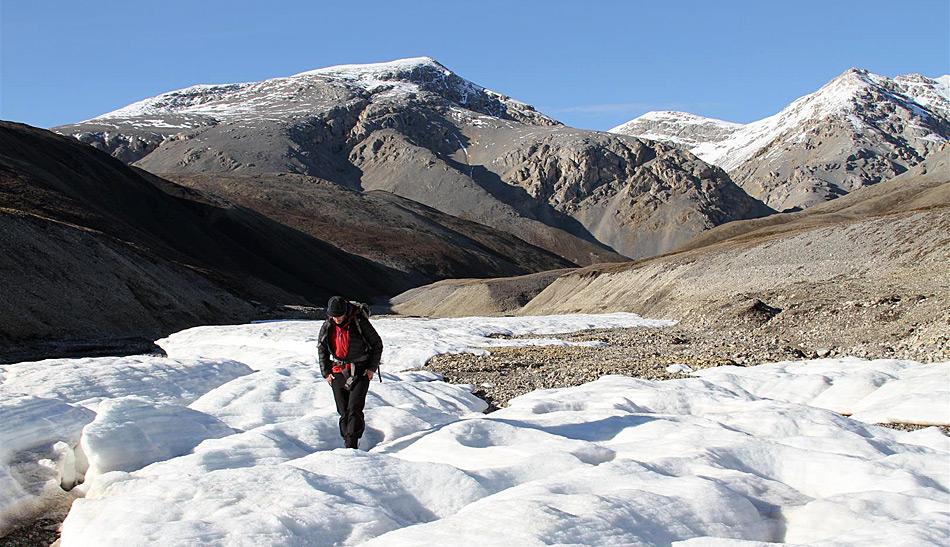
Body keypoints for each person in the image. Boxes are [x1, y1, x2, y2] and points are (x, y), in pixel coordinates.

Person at [318, 296, 383, 449]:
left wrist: (371, 368)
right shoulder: (328, 325)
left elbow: (377, 344)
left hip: (361, 371)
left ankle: (352, 444)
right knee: (343, 410)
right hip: (338, 371)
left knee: (354, 408)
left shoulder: (359, 321)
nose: (337, 319)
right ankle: (347, 438)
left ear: (346, 312)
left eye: (339, 316)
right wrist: (326, 372)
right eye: (333, 316)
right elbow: (321, 349)